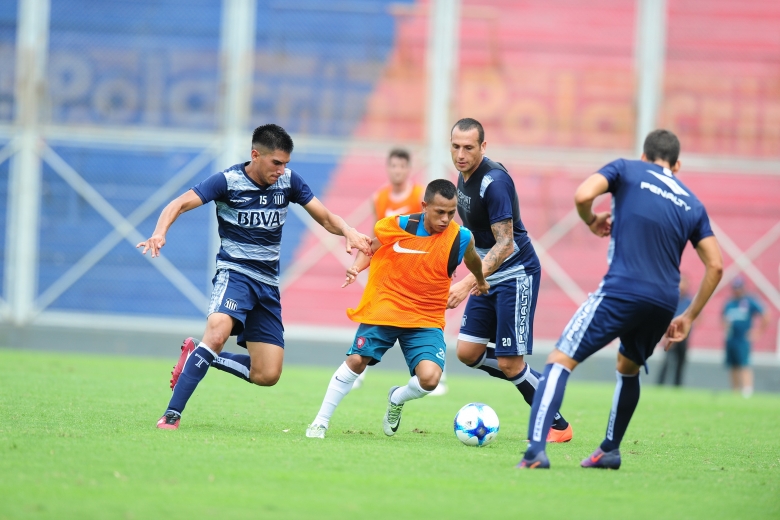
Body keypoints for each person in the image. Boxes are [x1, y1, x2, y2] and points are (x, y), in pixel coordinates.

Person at [137, 124, 373, 430]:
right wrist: (159, 232)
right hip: (235, 273)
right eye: (276, 162)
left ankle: (199, 353)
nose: (282, 169)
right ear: (255, 155)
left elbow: (325, 217)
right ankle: (172, 414)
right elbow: (178, 203)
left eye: (286, 163)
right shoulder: (228, 181)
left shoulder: (288, 182)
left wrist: (348, 231)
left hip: (267, 284)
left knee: (267, 375)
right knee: (218, 331)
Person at [518, 129, 723, 470]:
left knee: (558, 361)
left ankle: (535, 451)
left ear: (645, 157)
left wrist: (591, 220)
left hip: (622, 290)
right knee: (627, 369)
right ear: (677, 164)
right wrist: (687, 317)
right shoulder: (692, 202)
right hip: (663, 302)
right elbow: (715, 266)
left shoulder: (627, 169)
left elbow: (583, 194)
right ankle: (609, 450)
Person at [305, 179, 489, 439]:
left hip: (425, 316)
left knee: (430, 380)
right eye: (439, 212)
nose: (446, 219)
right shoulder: (399, 226)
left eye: (451, 212)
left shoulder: (461, 237)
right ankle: (320, 422)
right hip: (388, 305)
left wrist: (479, 281)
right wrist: (357, 267)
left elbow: (473, 259)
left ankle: (396, 398)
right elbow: (372, 247)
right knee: (357, 360)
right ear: (425, 206)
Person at [446, 118, 573, 443]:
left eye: (468, 148)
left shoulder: (495, 182)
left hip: (516, 275)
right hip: (487, 274)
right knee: (468, 352)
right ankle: (537, 381)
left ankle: (558, 425)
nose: (460, 154)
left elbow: (506, 243)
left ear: (483, 147)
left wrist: (466, 282)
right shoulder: (463, 176)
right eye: (456, 146)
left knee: (510, 363)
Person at [353, 149, 450, 393]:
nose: (397, 171)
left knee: (428, 318)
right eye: (393, 166)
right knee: (375, 314)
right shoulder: (380, 197)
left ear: (409, 169)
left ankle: (436, 372)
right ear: (388, 168)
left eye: (402, 166)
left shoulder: (420, 196)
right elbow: (377, 234)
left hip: (418, 272)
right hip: (388, 273)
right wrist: (358, 264)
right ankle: (358, 368)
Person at [723, 277, 768, 398]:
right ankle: (735, 391)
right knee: (732, 365)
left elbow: (765, 314)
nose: (737, 290)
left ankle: (747, 390)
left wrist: (758, 332)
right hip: (731, 338)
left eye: (739, 288)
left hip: (742, 339)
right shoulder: (729, 303)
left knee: (744, 364)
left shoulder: (749, 302)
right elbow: (723, 318)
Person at [657, 275, 693, 386]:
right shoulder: (672, 299)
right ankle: (660, 384)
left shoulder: (689, 301)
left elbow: (698, 318)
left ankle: (677, 385)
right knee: (667, 361)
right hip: (670, 334)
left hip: (683, 337)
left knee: (681, 363)